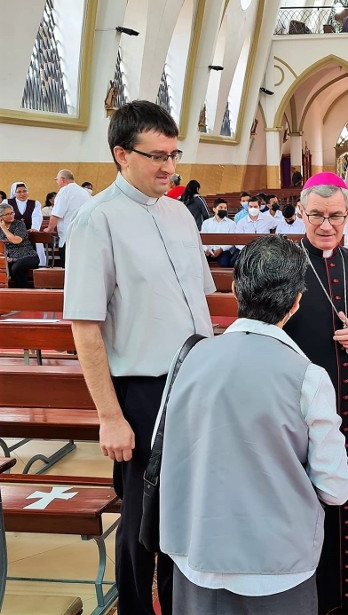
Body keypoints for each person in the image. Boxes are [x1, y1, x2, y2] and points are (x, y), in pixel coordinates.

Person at [63, 100, 215, 615]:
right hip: (143, 391)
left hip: (195, 381)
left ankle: (180, 605)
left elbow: (198, 303)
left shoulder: (179, 213)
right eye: (157, 156)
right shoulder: (95, 220)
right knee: (142, 520)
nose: (169, 168)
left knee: (186, 510)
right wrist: (110, 417)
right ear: (121, 155)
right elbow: (85, 327)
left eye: (174, 155)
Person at [159, 235, 348, 614]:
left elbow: (167, 450)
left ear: (234, 289)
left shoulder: (188, 358)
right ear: (298, 301)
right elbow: (335, 489)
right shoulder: (307, 377)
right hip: (277, 566)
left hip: (195, 554)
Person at [285, 172, 348, 615]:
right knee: (301, 492)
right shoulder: (284, 265)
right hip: (294, 401)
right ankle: (312, 594)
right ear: (300, 214)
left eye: (335, 216)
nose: (326, 225)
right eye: (316, 216)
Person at [45, 169, 92, 266]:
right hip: (85, 235)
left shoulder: (64, 191)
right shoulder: (84, 192)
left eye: (57, 180)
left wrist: (49, 229)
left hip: (69, 235)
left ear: (62, 179)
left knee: (67, 268)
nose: (57, 182)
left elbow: (56, 213)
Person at [0, 203, 40, 286]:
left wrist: (4, 228)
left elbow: (16, 240)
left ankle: (23, 291)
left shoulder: (19, 224)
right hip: (8, 257)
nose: (11, 215)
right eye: (7, 214)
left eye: (12, 213)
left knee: (16, 268)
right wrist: (5, 257)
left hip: (28, 256)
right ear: (1, 217)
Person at [9, 181, 45, 265]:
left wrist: (34, 228)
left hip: (30, 233)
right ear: (14, 193)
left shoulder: (35, 203)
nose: (22, 194)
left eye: (24, 191)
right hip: (14, 235)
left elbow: (37, 216)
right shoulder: (7, 202)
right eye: (19, 192)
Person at [201, 198, 238, 267]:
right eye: (221, 207)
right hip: (208, 251)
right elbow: (203, 239)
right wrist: (206, 249)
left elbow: (232, 241)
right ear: (214, 209)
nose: (223, 209)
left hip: (223, 251)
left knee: (225, 264)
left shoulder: (232, 223)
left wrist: (221, 249)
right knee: (200, 264)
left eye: (225, 208)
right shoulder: (206, 223)